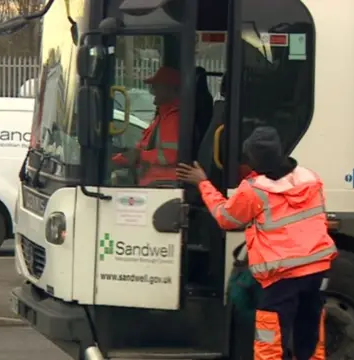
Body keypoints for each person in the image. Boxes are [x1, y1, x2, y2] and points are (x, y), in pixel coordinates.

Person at [176, 126, 337, 360]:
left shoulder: (255, 190)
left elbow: (225, 217)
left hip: (281, 276)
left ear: (254, 161)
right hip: (316, 269)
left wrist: (203, 183)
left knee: (270, 341)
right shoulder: (310, 178)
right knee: (309, 336)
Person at [111, 66, 180, 186]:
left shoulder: (174, 118)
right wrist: (119, 158)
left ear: (172, 89)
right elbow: (142, 148)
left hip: (163, 185)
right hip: (150, 183)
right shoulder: (162, 116)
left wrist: (140, 155)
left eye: (156, 86)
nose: (152, 91)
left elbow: (173, 155)